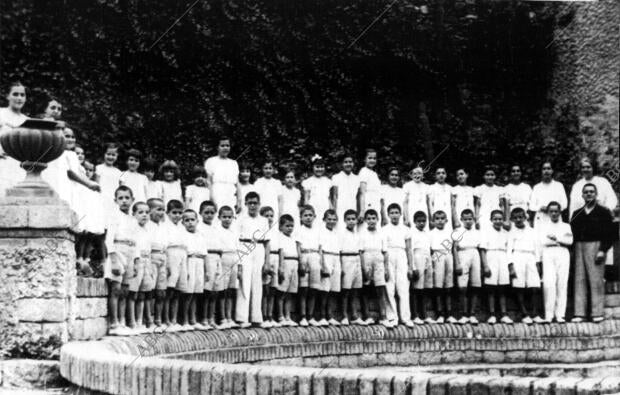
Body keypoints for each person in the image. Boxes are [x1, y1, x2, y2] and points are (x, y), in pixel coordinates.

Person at [570, 183, 615, 323]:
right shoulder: (576, 213)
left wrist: (603, 250)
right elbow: (572, 233)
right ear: (582, 195)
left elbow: (610, 233)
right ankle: (580, 313)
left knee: (596, 280)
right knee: (579, 279)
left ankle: (597, 313)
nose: (589, 194)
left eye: (591, 192)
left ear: (596, 195)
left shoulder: (603, 212)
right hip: (579, 247)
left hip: (596, 246)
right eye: (586, 192)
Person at [104, 186, 139, 336]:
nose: (124, 201)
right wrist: (113, 260)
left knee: (125, 290)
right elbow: (109, 239)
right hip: (118, 251)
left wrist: (136, 260)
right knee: (116, 289)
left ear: (132, 200)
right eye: (121, 198)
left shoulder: (132, 219)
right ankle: (114, 323)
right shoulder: (114, 216)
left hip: (130, 252)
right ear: (116, 200)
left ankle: (122, 322)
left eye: (127, 198)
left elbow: (136, 241)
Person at [235, 191, 270, 327]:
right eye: (250, 203)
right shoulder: (240, 219)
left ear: (259, 204)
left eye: (255, 203)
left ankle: (256, 317)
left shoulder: (264, 220)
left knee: (257, 282)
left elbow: (267, 242)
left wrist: (267, 262)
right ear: (245, 204)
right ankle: (242, 318)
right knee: (245, 281)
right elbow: (236, 240)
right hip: (244, 246)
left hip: (259, 248)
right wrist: (238, 262)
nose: (253, 206)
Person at [507, 207, 543, 324]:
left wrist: (538, 262)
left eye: (520, 217)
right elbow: (509, 250)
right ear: (512, 219)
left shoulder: (532, 231)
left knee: (534, 286)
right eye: (516, 218)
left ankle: (535, 313)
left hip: (531, 257)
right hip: (517, 257)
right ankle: (524, 313)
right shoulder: (511, 233)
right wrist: (511, 265)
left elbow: (537, 247)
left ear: (525, 217)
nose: (518, 219)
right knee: (519, 286)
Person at [538, 201, 573, 323]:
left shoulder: (565, 226)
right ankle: (549, 314)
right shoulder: (543, 225)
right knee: (548, 283)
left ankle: (560, 314)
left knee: (562, 283)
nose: (554, 213)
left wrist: (556, 239)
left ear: (560, 212)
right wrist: (559, 240)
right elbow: (543, 241)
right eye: (551, 211)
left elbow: (569, 241)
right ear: (548, 212)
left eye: (556, 211)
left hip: (563, 253)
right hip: (548, 253)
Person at [382, 203, 414, 327]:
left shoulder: (406, 229)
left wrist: (411, 266)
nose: (394, 215)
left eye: (397, 212)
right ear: (388, 215)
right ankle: (392, 317)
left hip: (402, 255)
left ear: (401, 214)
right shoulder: (384, 229)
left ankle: (405, 318)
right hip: (389, 255)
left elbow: (409, 249)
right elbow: (383, 249)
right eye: (392, 213)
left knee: (403, 287)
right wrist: (385, 267)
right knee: (390, 287)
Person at [480, 210, 513, 324]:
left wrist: (509, 265)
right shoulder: (486, 232)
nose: (498, 221)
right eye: (495, 219)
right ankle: (492, 314)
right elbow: (483, 250)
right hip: (491, 257)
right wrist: (485, 266)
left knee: (502, 288)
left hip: (503, 257)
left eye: (500, 219)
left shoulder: (506, 233)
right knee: (491, 288)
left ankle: (504, 314)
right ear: (491, 220)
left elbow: (509, 250)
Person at [359, 209, 390, 326]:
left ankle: (383, 316)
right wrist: (363, 269)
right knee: (366, 290)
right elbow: (361, 252)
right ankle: (367, 316)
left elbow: (385, 252)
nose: (371, 221)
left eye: (373, 218)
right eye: (369, 219)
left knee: (380, 289)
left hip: (378, 260)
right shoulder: (362, 233)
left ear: (377, 219)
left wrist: (386, 269)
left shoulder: (381, 234)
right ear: (366, 220)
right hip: (367, 259)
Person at [296, 205, 325, 326]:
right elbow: (297, 247)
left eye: (310, 215)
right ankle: (302, 316)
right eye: (305, 215)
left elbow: (320, 248)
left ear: (314, 217)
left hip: (315, 257)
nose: (308, 218)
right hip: (304, 255)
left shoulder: (317, 230)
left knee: (313, 289)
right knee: (304, 289)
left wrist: (323, 264)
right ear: (301, 217)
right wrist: (301, 262)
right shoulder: (299, 229)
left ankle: (311, 315)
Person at [452, 209, 482, 325]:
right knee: (462, 287)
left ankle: (472, 314)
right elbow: (454, 248)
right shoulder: (457, 231)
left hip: (474, 254)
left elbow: (479, 247)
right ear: (461, 220)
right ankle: (464, 314)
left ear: (473, 220)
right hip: (462, 254)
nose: (468, 221)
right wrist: (457, 263)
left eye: (470, 219)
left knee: (475, 285)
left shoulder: (477, 232)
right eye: (465, 219)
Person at [161, 199, 186, 331]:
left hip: (181, 255)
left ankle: (174, 319)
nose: (177, 215)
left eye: (179, 213)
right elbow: (165, 246)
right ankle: (166, 319)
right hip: (171, 254)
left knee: (177, 291)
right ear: (168, 213)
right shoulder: (165, 226)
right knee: (169, 290)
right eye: (174, 213)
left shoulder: (182, 227)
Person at [181, 209, 208, 330]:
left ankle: (193, 319)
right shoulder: (183, 235)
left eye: (192, 220)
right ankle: (185, 320)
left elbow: (205, 254)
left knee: (196, 293)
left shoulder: (201, 235)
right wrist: (185, 270)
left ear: (197, 221)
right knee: (188, 293)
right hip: (189, 261)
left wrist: (206, 270)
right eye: (187, 220)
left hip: (200, 262)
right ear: (183, 222)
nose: (190, 223)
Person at [0, 82, 28, 196]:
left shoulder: (27, 120)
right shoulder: (1, 113)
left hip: (19, 166)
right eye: (15, 94)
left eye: (22, 95)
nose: (19, 98)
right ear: (8, 96)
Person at [144, 198, 168, 332]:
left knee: (161, 291)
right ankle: (148, 318)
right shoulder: (147, 225)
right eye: (158, 209)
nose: (162, 212)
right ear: (150, 210)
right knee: (149, 289)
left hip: (163, 256)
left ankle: (158, 318)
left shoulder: (163, 226)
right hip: (151, 256)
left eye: (163, 210)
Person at [429, 211, 457, 324]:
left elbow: (453, 248)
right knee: (438, 286)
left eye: (442, 218)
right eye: (437, 219)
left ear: (446, 220)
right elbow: (430, 249)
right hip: (437, 255)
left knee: (448, 286)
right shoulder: (431, 233)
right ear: (433, 221)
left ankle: (449, 314)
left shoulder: (450, 232)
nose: (440, 221)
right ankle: (440, 314)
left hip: (448, 255)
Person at [196, 200, 220, 330]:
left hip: (217, 257)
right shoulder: (199, 228)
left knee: (215, 291)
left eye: (212, 213)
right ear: (200, 213)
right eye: (206, 212)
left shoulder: (216, 227)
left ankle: (211, 317)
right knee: (207, 290)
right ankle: (204, 317)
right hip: (207, 257)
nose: (209, 215)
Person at [215, 206, 240, 329]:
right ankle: (222, 318)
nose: (227, 219)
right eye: (224, 217)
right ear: (219, 217)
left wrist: (239, 266)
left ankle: (230, 317)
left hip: (234, 258)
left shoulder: (234, 231)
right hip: (223, 258)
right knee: (222, 290)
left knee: (231, 290)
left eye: (229, 217)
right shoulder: (217, 230)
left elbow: (238, 248)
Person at [339, 209, 365, 325]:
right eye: (348, 219)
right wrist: (341, 266)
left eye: (353, 219)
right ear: (345, 220)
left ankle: (354, 315)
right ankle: (344, 315)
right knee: (346, 290)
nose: (351, 221)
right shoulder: (341, 234)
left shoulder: (358, 235)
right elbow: (339, 251)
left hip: (356, 260)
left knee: (355, 290)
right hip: (346, 259)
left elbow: (360, 252)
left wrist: (362, 266)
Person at [204, 136, 241, 213]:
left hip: (230, 194)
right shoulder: (211, 161)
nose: (225, 148)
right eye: (222, 146)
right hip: (217, 193)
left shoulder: (233, 163)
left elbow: (237, 184)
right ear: (217, 147)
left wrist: (239, 200)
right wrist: (211, 199)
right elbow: (208, 182)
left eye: (227, 145)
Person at [275, 214, 300, 326]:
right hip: (285, 263)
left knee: (290, 293)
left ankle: (287, 316)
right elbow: (281, 252)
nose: (290, 228)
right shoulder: (280, 237)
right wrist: (281, 267)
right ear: (281, 227)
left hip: (294, 263)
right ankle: (280, 316)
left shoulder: (293, 238)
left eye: (291, 226)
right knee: (282, 292)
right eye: (287, 226)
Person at [134, 202, 154, 333]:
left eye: (147, 212)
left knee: (145, 292)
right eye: (140, 212)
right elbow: (134, 246)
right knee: (136, 292)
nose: (144, 215)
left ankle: (144, 321)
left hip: (147, 260)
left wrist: (150, 265)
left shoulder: (148, 230)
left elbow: (150, 249)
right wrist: (136, 261)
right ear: (134, 214)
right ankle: (136, 321)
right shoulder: (133, 228)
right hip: (138, 259)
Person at [529, 162, 567, 228]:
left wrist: (553, 209)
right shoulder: (537, 187)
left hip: (555, 217)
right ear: (541, 171)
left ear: (552, 171)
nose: (546, 171)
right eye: (544, 169)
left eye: (549, 168)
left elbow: (564, 204)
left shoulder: (559, 186)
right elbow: (531, 205)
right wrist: (540, 207)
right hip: (541, 219)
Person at [320, 210, 341, 326]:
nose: (332, 221)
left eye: (334, 219)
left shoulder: (337, 233)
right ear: (324, 220)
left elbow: (339, 249)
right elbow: (320, 250)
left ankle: (330, 315)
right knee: (325, 290)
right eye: (329, 219)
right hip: (326, 257)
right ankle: (323, 316)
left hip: (336, 258)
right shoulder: (321, 232)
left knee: (333, 290)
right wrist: (323, 265)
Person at [410, 211, 430, 324]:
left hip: (425, 260)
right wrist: (413, 267)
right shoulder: (413, 233)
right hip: (417, 260)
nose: (421, 223)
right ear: (414, 222)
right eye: (419, 221)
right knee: (415, 289)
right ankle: (415, 315)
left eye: (423, 221)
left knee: (423, 289)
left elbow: (427, 250)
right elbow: (411, 251)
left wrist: (427, 264)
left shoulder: (426, 234)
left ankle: (424, 314)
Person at [474, 166, 507, 232]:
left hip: (496, 217)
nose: (490, 177)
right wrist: (477, 219)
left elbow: (502, 205)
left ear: (495, 176)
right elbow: (477, 205)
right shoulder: (479, 188)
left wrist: (503, 218)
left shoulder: (499, 189)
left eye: (492, 175)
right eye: (487, 175)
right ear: (484, 176)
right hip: (484, 216)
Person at [260, 206, 278, 328]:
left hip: (275, 259)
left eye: (271, 215)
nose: (269, 218)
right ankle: (263, 315)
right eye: (267, 216)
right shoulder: (261, 230)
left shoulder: (276, 231)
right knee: (264, 290)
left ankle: (270, 315)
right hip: (265, 258)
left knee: (272, 291)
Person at [331, 154, 360, 224]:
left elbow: (358, 197)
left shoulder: (357, 178)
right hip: (340, 208)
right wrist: (334, 212)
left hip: (353, 207)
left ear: (353, 163)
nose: (348, 164)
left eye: (350, 162)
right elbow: (335, 196)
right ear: (342, 164)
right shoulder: (336, 177)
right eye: (346, 162)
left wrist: (359, 212)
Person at [302, 156, 333, 221]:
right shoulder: (308, 181)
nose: (319, 169)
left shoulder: (327, 181)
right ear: (313, 167)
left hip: (325, 206)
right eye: (317, 167)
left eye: (322, 167)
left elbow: (329, 197)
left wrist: (331, 209)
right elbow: (306, 198)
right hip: (313, 206)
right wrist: (307, 211)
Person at [96, 143, 122, 214]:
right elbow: (96, 185)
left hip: (113, 200)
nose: (110, 157)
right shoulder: (98, 168)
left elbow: (120, 189)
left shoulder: (118, 172)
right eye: (108, 154)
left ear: (117, 156)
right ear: (104, 154)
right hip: (101, 198)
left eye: (113, 155)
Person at [358, 149, 381, 221]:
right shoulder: (363, 171)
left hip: (375, 203)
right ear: (364, 159)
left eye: (374, 158)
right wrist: (362, 211)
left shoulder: (374, 173)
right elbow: (362, 192)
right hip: (368, 204)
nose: (372, 160)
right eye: (370, 158)